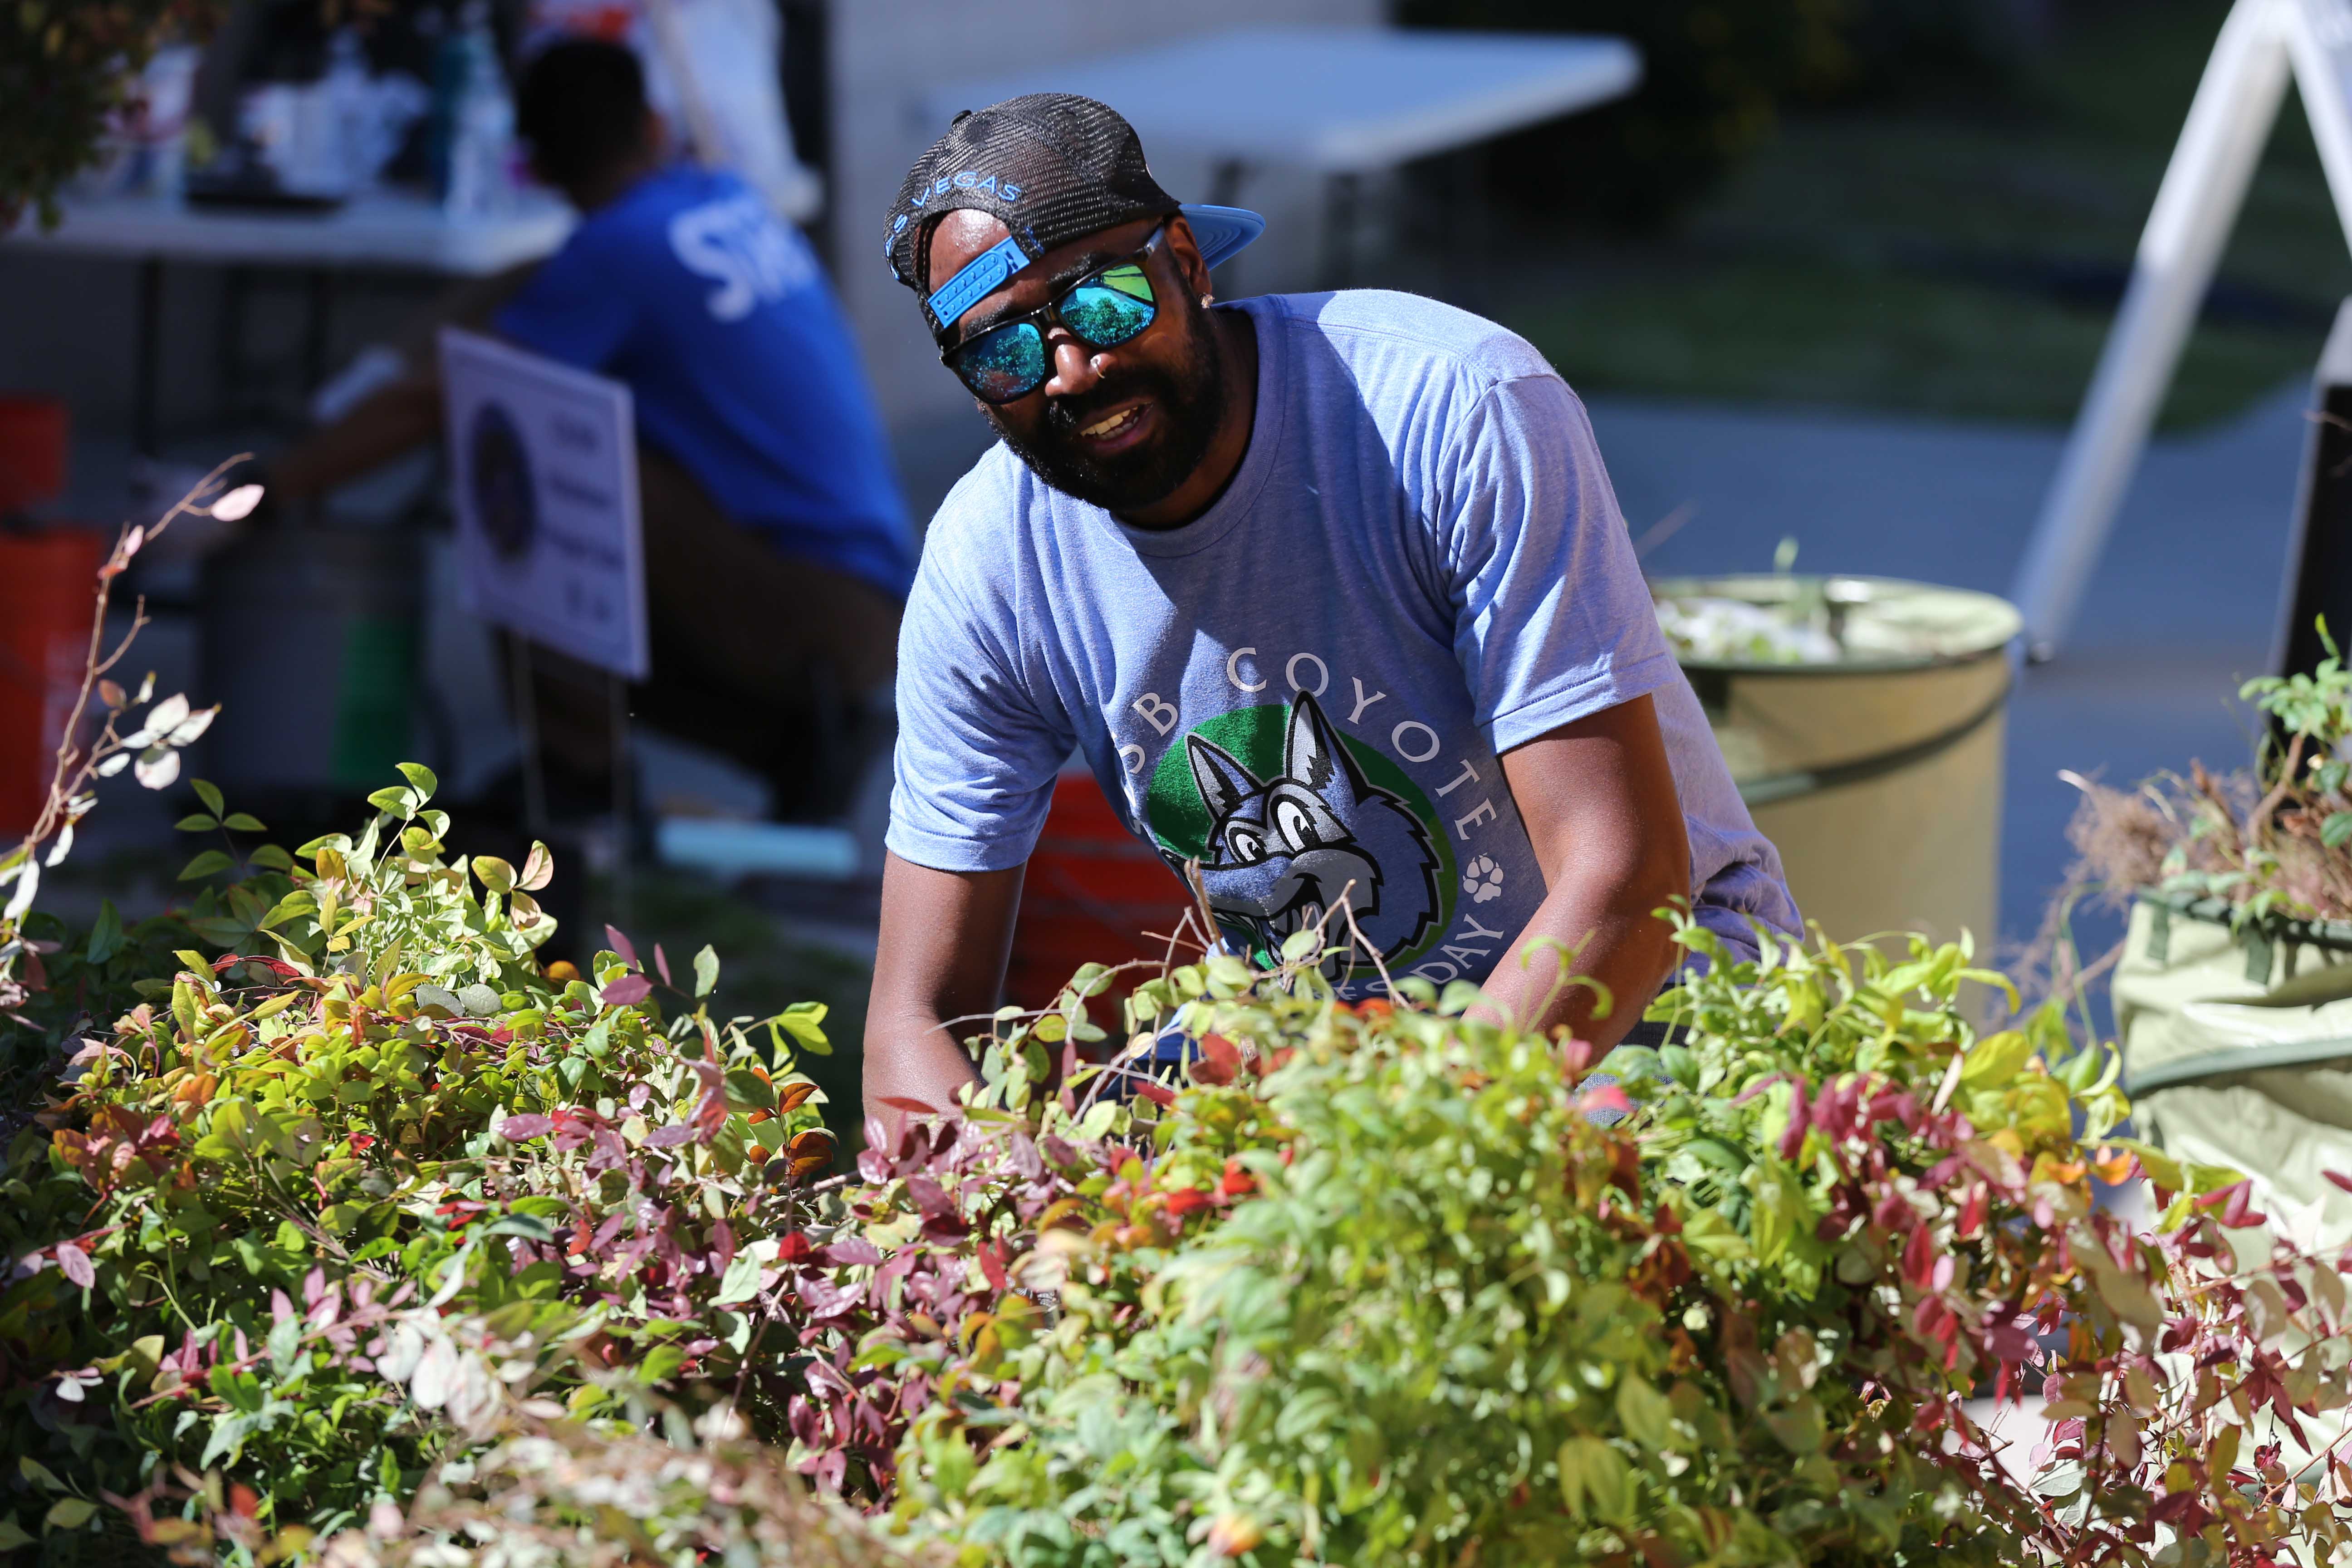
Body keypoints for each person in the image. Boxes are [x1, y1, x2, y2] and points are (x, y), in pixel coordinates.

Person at [862, 95, 1801, 1127]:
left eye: (1105, 303)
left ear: (1188, 260)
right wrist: (983, 1196)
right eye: (1004, 354)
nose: (1074, 370)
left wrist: (1385, 1164)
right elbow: (916, 1023)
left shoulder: (1451, 408)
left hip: (1649, 1007)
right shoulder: (991, 565)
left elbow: (1626, 883)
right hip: (1311, 1058)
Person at [264, 38, 911, 822]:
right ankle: (791, 747)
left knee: (524, 442)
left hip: (814, 618)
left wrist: (264, 490)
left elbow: (438, 398)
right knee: (568, 434)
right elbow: (528, 282)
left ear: (532, 169)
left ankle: (580, 771)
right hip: (873, 601)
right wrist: (392, 363)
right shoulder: (721, 198)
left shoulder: (610, 256)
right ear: (650, 126)